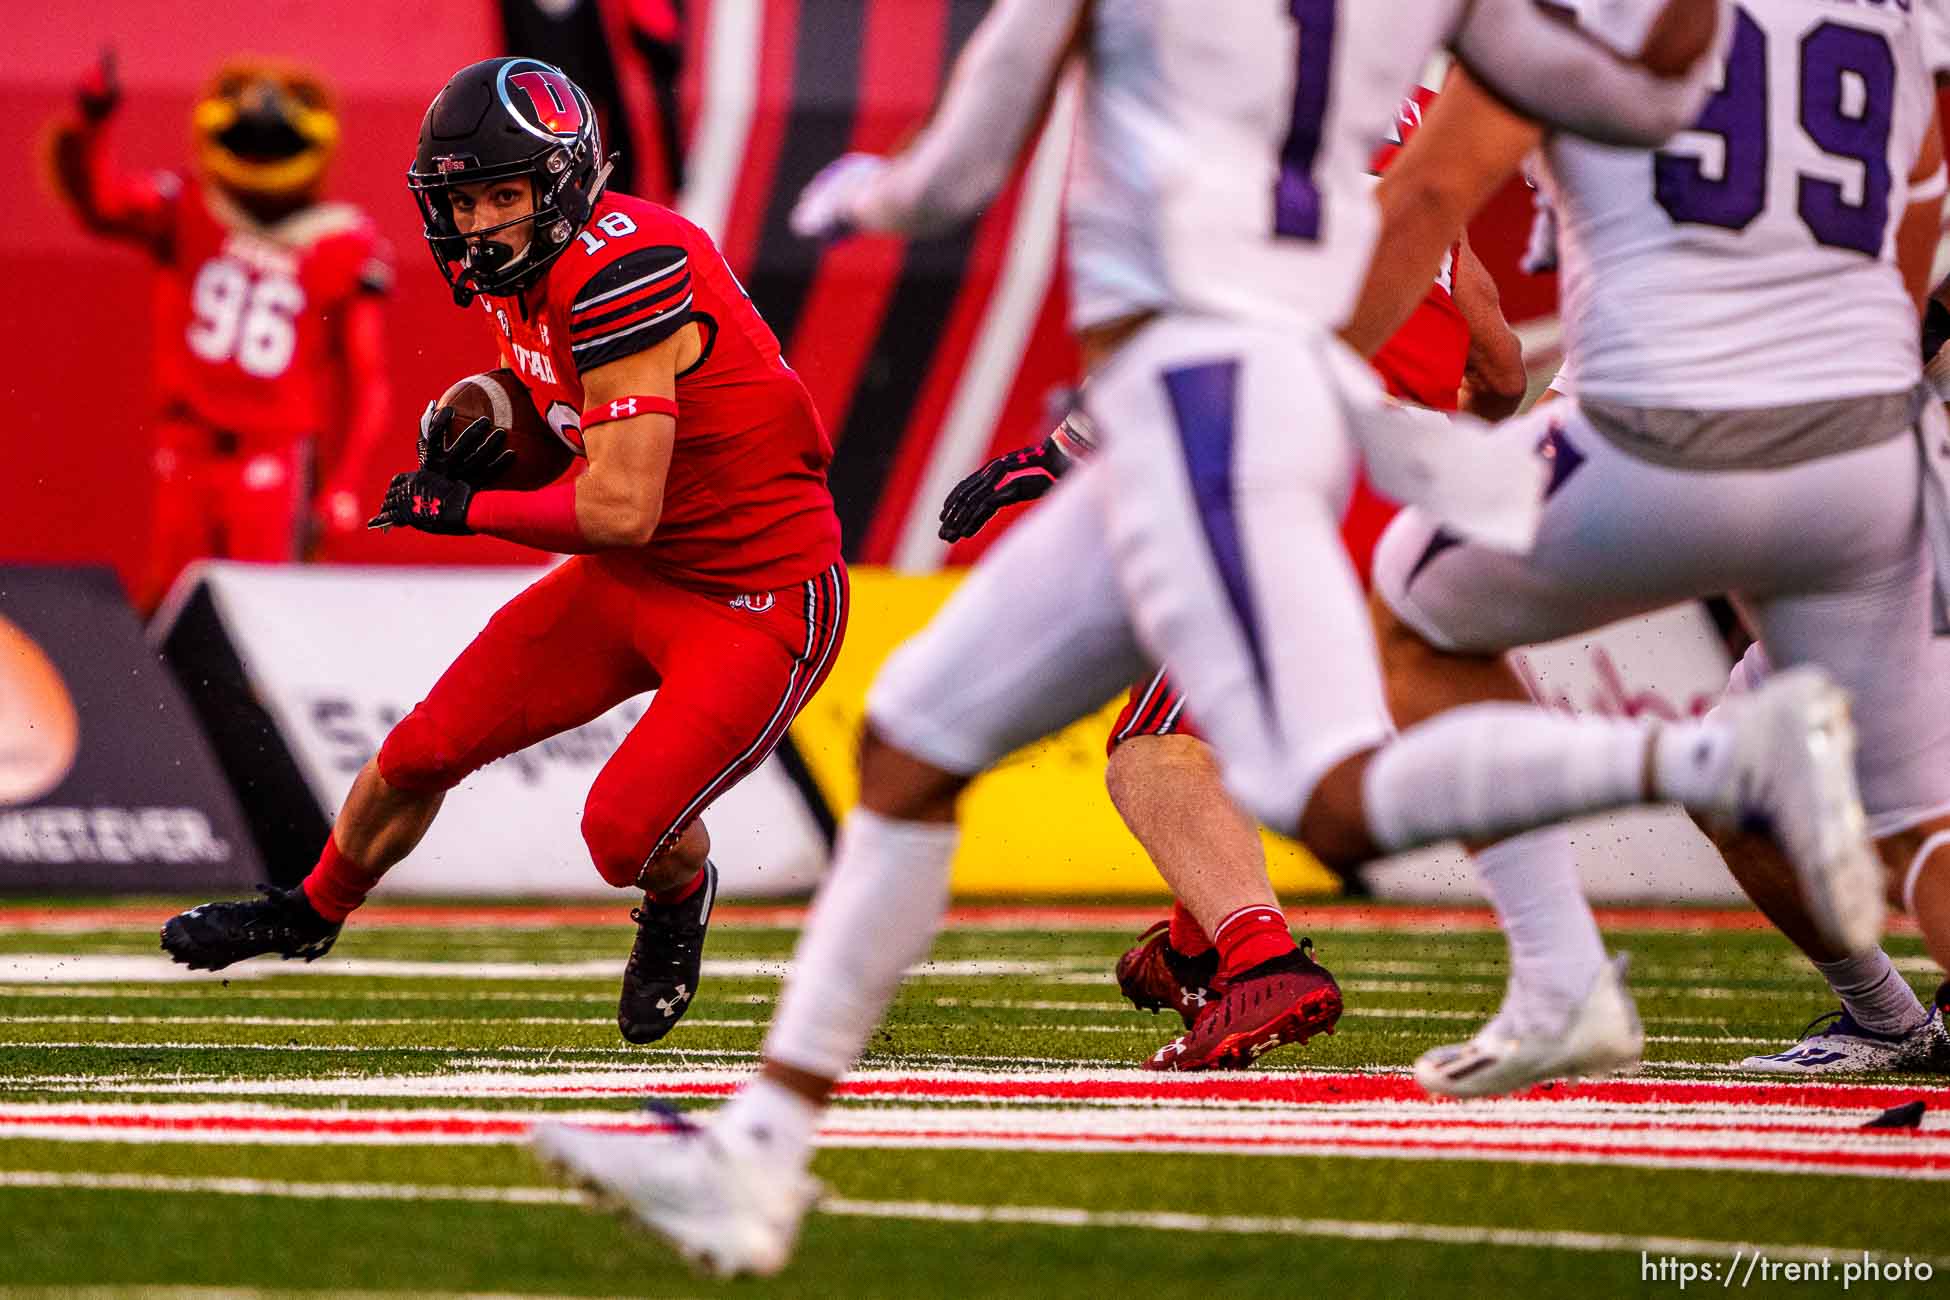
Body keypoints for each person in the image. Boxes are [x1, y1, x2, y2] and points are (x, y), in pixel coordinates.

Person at [529, 0, 1859, 1278]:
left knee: (1293, 787)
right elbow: (1514, 318)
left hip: (1221, 414)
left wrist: (868, 202)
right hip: (1267, 421)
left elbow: (956, 174)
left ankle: (1699, 769)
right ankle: (760, 1150)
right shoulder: (1408, 48)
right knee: (918, 738)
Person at [159, 58, 847, 1050]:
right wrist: (490, 411)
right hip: (637, 579)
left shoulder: (623, 271)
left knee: (624, 833)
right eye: (462, 197)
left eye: (500, 195)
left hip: (754, 593)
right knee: (422, 749)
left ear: (560, 185)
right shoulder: (525, 267)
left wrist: (469, 505)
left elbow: (620, 509)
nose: (476, 221)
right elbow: (549, 391)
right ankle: (309, 911)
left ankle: (681, 893)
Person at [1362, 0, 1950, 1092]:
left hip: (1661, 420)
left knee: (1411, 601)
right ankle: (1888, 1017)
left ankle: (1558, 976)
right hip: (1868, 440)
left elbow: (1434, 189)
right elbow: (1918, 206)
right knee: (1912, 824)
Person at [933, 79, 1530, 1069]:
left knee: (1155, 750)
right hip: (1418, 491)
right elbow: (1501, 365)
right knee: (1230, 730)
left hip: (1310, 455)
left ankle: (1258, 960)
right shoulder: (1424, 108)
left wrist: (1062, 449)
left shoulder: (1229, 92)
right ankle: (1197, 946)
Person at [46, 52, 393, 613]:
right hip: (187, 444)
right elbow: (100, 202)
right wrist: (90, 125)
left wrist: (344, 481)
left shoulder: (343, 243)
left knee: (262, 610)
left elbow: (367, 379)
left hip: (272, 452)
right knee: (175, 605)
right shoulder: (186, 208)